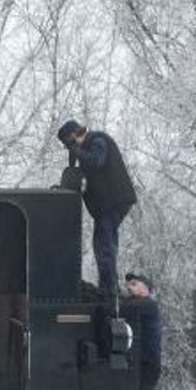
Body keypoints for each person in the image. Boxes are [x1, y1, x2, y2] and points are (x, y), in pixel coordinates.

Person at [57, 120, 136, 299]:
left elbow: (95, 161)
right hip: (107, 205)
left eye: (67, 143)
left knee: (104, 244)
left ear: (72, 136)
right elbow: (77, 169)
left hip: (113, 202)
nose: (67, 148)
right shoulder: (89, 145)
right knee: (103, 243)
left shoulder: (98, 140)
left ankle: (109, 290)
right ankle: (109, 286)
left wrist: (75, 149)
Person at [122, 272, 170, 390]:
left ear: (146, 288)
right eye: (129, 285)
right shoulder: (138, 305)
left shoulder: (147, 305)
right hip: (143, 363)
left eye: (134, 284)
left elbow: (126, 308)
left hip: (148, 363)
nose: (130, 288)